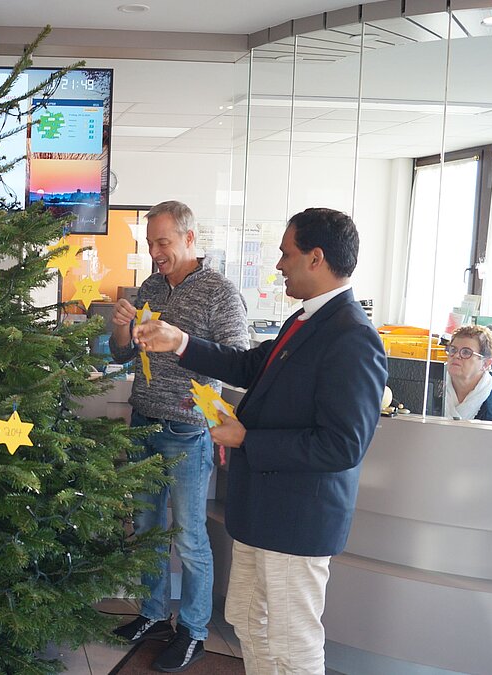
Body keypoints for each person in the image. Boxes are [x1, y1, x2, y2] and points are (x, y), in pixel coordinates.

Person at [132, 207, 388, 675]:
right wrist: (181, 342)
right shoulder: (306, 320)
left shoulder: (352, 336)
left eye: (285, 254)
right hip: (262, 517)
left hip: (296, 523)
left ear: (316, 258)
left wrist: (248, 437)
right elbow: (250, 366)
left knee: (291, 642)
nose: (277, 264)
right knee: (250, 624)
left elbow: (342, 446)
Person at [108, 201, 248, 672]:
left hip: (187, 432)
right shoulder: (149, 286)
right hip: (143, 421)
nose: (155, 252)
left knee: (189, 537)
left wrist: (182, 341)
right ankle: (152, 613)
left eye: (163, 243)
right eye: (150, 244)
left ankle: (193, 630)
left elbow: (238, 361)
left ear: (190, 239)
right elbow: (123, 355)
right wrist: (120, 330)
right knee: (146, 530)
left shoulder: (219, 293)